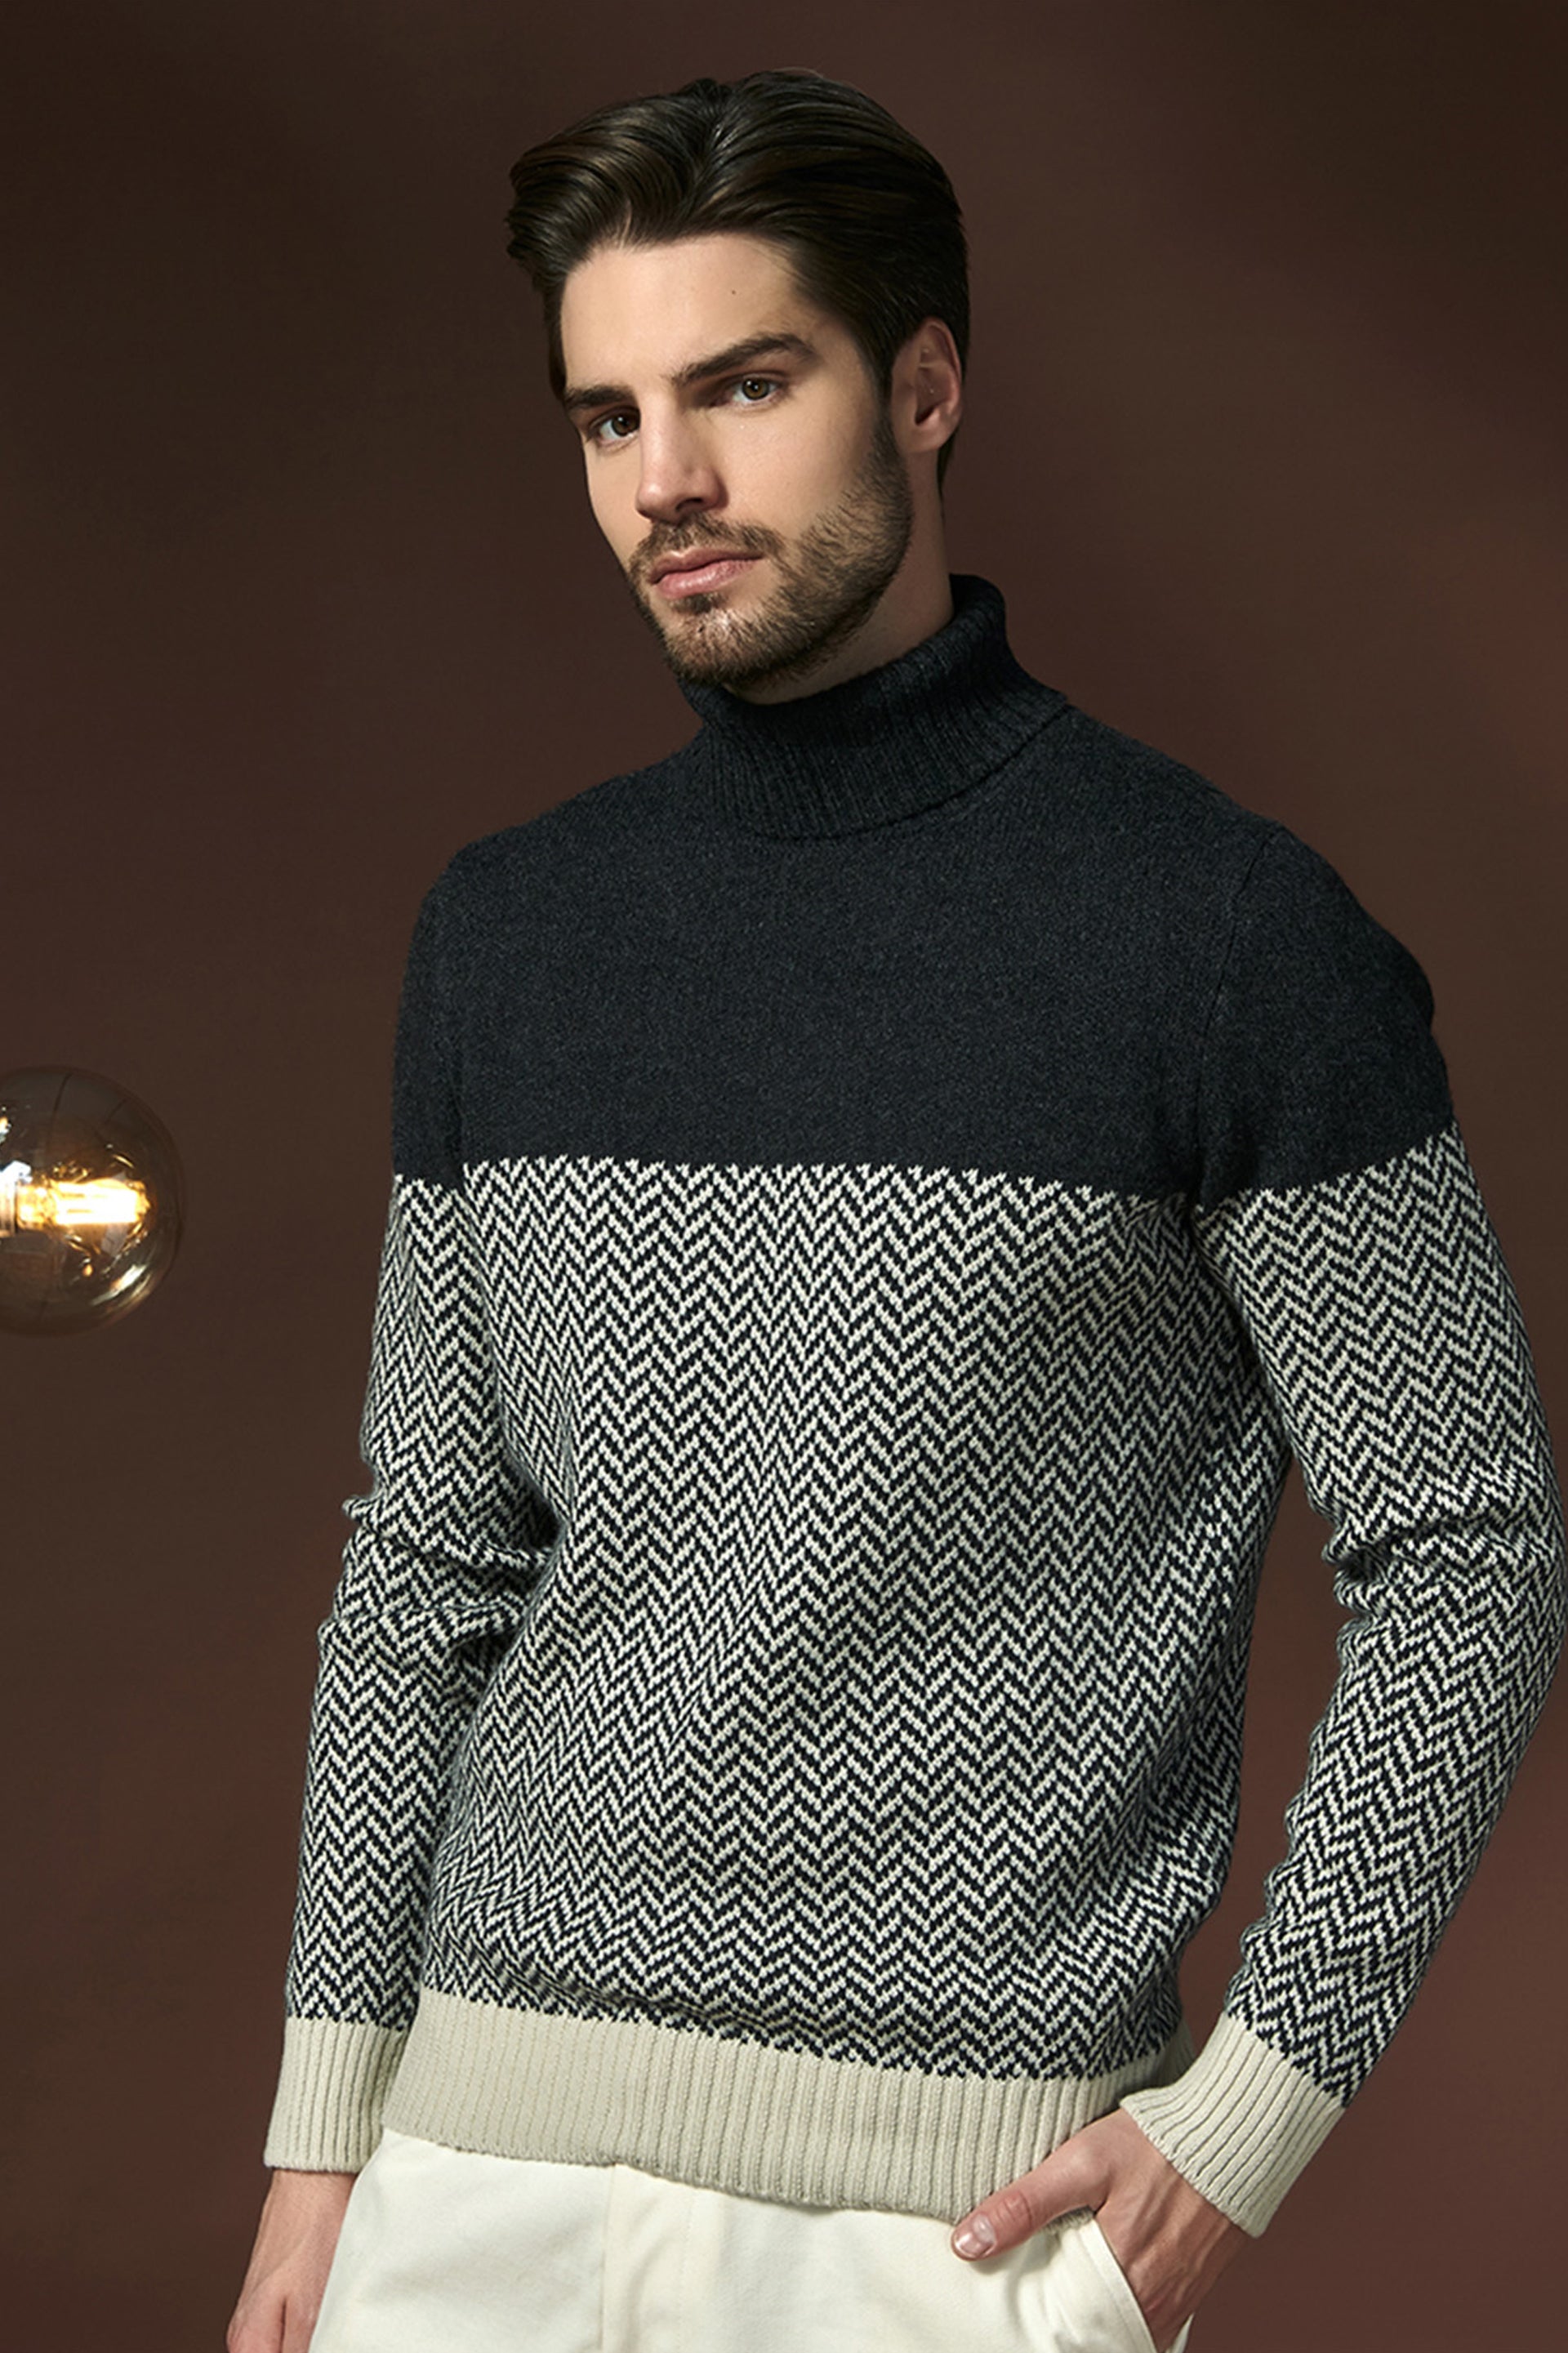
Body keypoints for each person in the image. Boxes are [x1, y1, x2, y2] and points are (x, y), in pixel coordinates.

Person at [227, 67, 1565, 2353]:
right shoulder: (510, 935)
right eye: (609, 415)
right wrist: (322, 2149)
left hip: (942, 2242)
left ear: (925, 384)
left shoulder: (1224, 936)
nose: (667, 480)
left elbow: (1470, 1550)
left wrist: (1241, 2125)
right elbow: (431, 1564)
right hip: (465, 2188)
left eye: (745, 386)